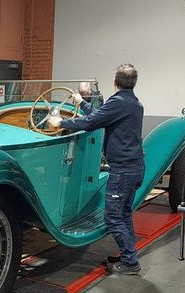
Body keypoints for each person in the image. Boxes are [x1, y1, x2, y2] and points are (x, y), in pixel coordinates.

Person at [49, 64, 145, 275]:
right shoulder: (134, 104)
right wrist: (81, 102)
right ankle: (129, 255)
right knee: (124, 214)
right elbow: (101, 116)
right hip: (134, 167)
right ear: (133, 82)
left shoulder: (118, 102)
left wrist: (60, 122)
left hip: (123, 170)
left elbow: (92, 123)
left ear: (115, 82)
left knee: (112, 217)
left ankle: (130, 263)